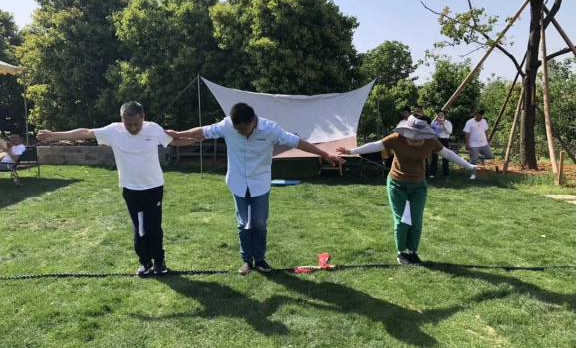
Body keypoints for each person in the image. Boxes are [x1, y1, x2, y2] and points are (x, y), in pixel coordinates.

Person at [166, 103, 345, 276]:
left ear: (253, 121)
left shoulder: (270, 129)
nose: (240, 132)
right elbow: (202, 132)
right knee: (243, 223)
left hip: (260, 184)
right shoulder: (227, 125)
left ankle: (259, 259)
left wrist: (324, 154)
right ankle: (246, 260)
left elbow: (296, 142)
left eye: (243, 129)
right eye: (237, 129)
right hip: (237, 182)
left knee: (259, 222)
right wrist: (178, 134)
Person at [37, 102, 199, 276]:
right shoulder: (113, 131)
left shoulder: (153, 129)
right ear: (122, 119)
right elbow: (86, 132)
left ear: (143, 117)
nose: (133, 128)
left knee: (154, 227)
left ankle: (159, 262)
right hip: (131, 189)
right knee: (139, 227)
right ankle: (145, 263)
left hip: (153, 187)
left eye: (137, 124)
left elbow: (174, 140)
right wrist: (54, 135)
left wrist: (197, 138)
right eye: (129, 124)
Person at [338, 115, 478, 266]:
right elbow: (376, 145)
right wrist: (351, 151)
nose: (416, 139)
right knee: (402, 220)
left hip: (418, 185)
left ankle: (412, 252)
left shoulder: (431, 141)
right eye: (414, 135)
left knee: (416, 220)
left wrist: (469, 166)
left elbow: (447, 153)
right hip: (397, 184)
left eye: (420, 135)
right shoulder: (397, 138)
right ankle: (402, 253)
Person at [464, 109, 494, 180]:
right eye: (478, 117)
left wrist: (487, 140)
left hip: (483, 143)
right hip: (473, 144)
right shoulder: (469, 122)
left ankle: (480, 157)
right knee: (473, 161)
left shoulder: (484, 121)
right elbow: (467, 133)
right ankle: (473, 175)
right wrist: (467, 144)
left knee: (490, 156)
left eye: (481, 117)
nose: (479, 118)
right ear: (474, 115)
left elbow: (486, 131)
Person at [430, 111, 453, 179]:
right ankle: (432, 173)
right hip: (437, 140)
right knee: (434, 157)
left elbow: (450, 132)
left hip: (445, 140)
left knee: (445, 157)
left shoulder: (448, 123)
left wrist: (443, 124)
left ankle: (446, 173)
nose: (440, 116)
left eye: (442, 115)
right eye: (439, 115)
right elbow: (431, 131)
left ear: (445, 116)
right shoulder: (434, 123)